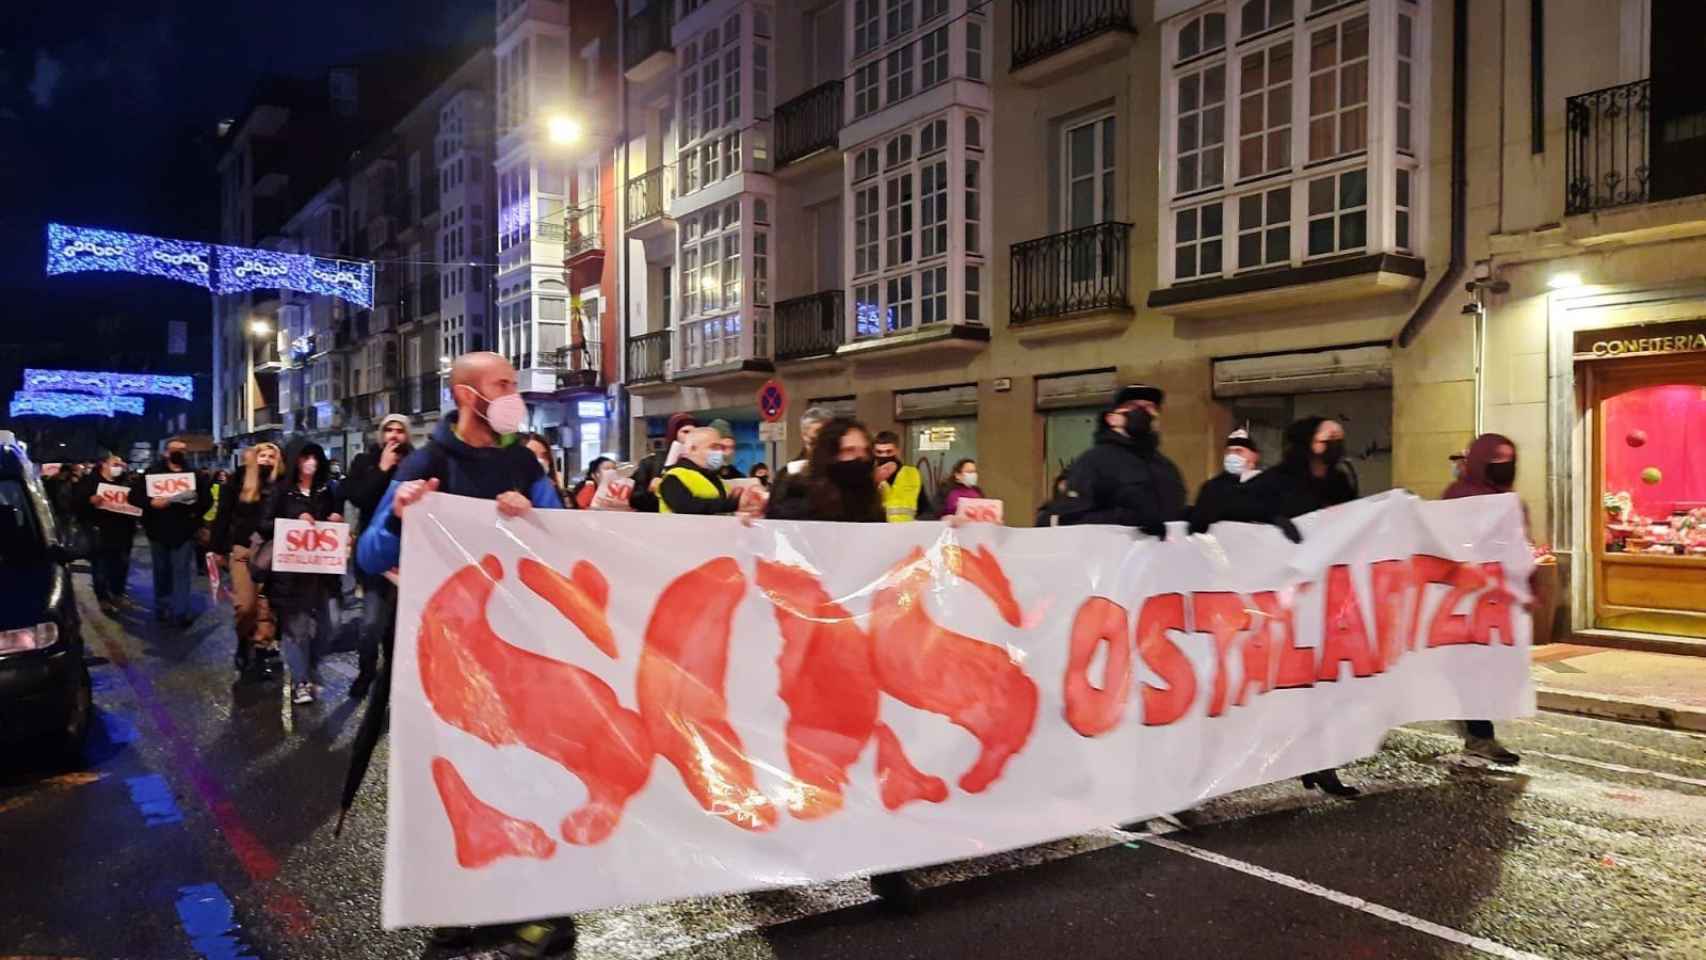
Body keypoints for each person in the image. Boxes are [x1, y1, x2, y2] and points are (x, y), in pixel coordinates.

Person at [355, 351, 569, 955]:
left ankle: (542, 912)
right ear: (467, 394)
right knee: (457, 780)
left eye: (514, 383)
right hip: (446, 659)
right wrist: (399, 517)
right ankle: (466, 899)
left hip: (518, 649)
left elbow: (564, 539)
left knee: (526, 780)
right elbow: (369, 556)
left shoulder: (524, 463)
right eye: (503, 384)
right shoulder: (427, 464)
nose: (514, 393)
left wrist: (535, 518)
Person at [1199, 416, 1362, 796]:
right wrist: (1274, 522)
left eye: (1339, 436)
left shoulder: (1340, 480)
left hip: (1323, 598)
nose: (1335, 442)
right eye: (1327, 438)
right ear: (1307, 442)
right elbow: (1229, 516)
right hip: (1277, 600)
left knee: (1322, 685)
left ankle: (1321, 764)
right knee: (1277, 684)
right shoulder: (1277, 481)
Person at [1442, 433, 1524, 766]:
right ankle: (1479, 736)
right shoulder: (1459, 498)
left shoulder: (1498, 497)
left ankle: (1476, 731)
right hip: (1463, 598)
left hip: (1491, 598)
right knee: (1471, 668)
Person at [340, 415, 413, 699]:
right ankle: (367, 670)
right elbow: (359, 498)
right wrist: (383, 469)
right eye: (389, 430)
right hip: (374, 554)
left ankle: (392, 682)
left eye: (400, 430)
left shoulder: (417, 463)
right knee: (371, 622)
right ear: (381, 434)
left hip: (408, 554)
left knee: (396, 627)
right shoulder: (364, 462)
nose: (394, 435)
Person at [265, 443, 342, 705]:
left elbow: (335, 521)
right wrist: (294, 520)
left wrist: (335, 519)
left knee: (331, 625)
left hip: (323, 573)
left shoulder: (327, 490)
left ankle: (309, 668)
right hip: (292, 575)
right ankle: (300, 682)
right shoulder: (282, 492)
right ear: (295, 460)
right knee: (296, 630)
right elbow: (264, 524)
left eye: (314, 457)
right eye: (305, 456)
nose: (310, 462)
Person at [1054, 385, 1187, 536]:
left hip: (1161, 557)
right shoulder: (1093, 462)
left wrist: (1192, 515)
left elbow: (1171, 514)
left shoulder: (1166, 467)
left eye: (1150, 407)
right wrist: (1129, 519)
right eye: (1132, 406)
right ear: (1111, 419)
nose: (1143, 412)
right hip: (1110, 557)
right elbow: (1070, 521)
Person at [212, 442, 284, 676]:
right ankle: (244, 642)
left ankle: (261, 651)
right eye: (262, 454)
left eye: (272, 456)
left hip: (273, 553)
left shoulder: (283, 485)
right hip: (242, 551)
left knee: (266, 609)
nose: (266, 459)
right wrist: (217, 548)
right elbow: (223, 514)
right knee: (245, 607)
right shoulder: (237, 480)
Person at [129, 437, 211, 627]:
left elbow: (207, 501)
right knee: (161, 571)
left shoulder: (195, 475)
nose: (180, 453)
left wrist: (194, 508)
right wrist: (150, 503)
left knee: (181, 571)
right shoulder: (152, 473)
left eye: (184, 450)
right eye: (176, 449)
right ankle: (163, 607)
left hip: (184, 531)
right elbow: (134, 496)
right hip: (157, 531)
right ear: (166, 452)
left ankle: (180, 611)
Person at [764, 418, 886, 523]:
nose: (861, 457)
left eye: (865, 450)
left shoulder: (869, 501)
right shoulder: (797, 496)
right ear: (829, 454)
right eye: (849, 450)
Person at [75, 453, 138, 616]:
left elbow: (138, 502)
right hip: (99, 532)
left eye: (121, 464)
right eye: (115, 463)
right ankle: (103, 598)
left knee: (121, 566)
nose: (119, 467)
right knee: (101, 567)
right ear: (104, 464)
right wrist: (89, 501)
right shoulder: (90, 483)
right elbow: (75, 504)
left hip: (123, 532)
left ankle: (118, 593)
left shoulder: (126, 482)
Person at [1188, 428, 1263, 533]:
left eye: (1238, 451)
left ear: (1254, 456)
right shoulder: (1212, 487)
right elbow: (1197, 524)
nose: (1232, 456)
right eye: (1228, 451)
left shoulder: (1265, 485)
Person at [657, 427, 744, 515]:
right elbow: (687, 507)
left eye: (720, 448)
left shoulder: (716, 479)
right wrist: (733, 504)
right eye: (714, 447)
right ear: (693, 449)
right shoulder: (673, 477)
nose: (719, 453)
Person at [769, 406, 835, 515]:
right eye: (815, 439)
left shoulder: (843, 468)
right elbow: (775, 512)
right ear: (804, 435)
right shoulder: (788, 473)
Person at [630, 413, 698, 513]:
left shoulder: (700, 464)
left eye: (695, 433)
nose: (690, 437)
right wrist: (650, 492)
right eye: (685, 432)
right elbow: (634, 499)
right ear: (674, 433)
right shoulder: (651, 462)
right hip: (656, 521)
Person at [873, 431, 926, 523]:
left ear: (897, 450)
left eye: (889, 451)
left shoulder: (912, 473)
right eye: (879, 452)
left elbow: (924, 506)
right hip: (878, 530)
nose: (884, 455)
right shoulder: (869, 475)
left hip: (906, 531)